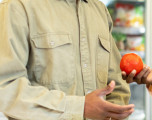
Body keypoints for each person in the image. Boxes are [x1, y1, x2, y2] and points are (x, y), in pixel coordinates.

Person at [0, 0, 134, 119]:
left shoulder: (99, 10)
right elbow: (5, 89)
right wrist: (79, 107)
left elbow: (116, 85)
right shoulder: (17, 6)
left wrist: (116, 112)